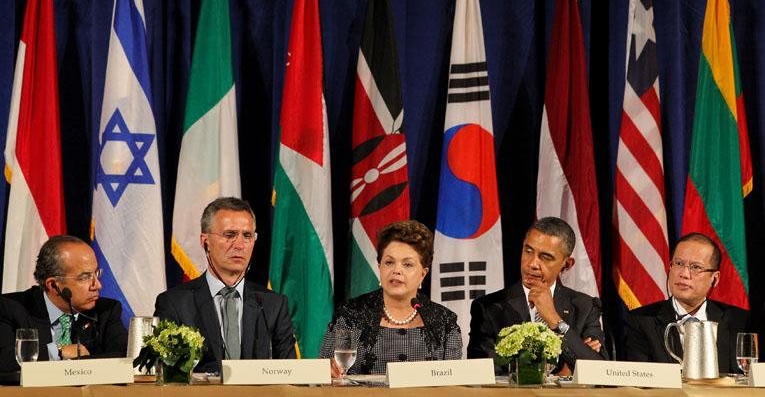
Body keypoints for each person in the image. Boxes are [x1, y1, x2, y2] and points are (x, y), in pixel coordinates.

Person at [154, 197, 296, 373]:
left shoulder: (273, 305)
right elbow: (167, 373)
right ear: (205, 242)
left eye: (247, 235)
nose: (239, 245)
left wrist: (318, 370)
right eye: (229, 235)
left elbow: (291, 373)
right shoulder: (175, 303)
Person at [319, 220, 461, 376]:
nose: (396, 270)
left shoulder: (444, 322)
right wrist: (329, 372)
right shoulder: (351, 315)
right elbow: (326, 373)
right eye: (389, 262)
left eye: (407, 264)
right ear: (380, 267)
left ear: (423, 273)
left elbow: (453, 383)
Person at [467, 217, 607, 374]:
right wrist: (566, 368)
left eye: (545, 257)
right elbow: (480, 371)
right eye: (528, 251)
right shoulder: (488, 307)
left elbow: (600, 371)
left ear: (567, 264)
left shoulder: (585, 306)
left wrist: (555, 320)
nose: (532, 264)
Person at [624, 233, 748, 373]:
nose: (684, 274)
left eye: (695, 267)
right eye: (678, 263)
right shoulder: (642, 321)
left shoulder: (739, 321)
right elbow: (641, 381)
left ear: (715, 279)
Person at [0, 235, 127, 371]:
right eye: (85, 277)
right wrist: (58, 352)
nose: (97, 285)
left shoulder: (106, 311)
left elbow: (123, 357)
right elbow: (3, 358)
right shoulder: (10, 307)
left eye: (96, 273)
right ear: (53, 285)